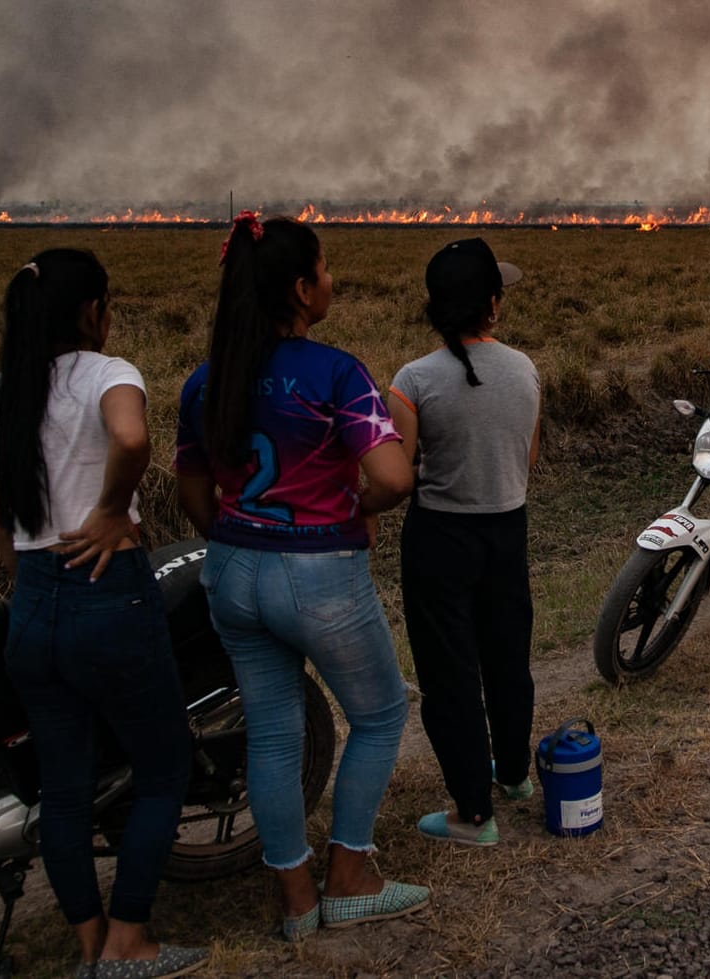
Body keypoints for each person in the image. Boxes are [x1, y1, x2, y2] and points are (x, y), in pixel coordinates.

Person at [174, 213, 424, 939]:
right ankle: (350, 874)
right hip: (319, 575)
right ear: (299, 288)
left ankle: (295, 898)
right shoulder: (336, 373)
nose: (331, 279)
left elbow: (192, 491)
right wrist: (359, 501)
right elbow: (393, 476)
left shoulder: (204, 380)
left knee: (275, 734)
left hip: (231, 567)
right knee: (378, 715)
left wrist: (237, 540)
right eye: (325, 267)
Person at [0, 250, 206, 979]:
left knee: (63, 785)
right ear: (90, 312)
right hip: (108, 588)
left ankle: (88, 942)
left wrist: (35, 582)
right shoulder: (109, 373)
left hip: (36, 595)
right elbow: (132, 438)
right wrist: (108, 513)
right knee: (165, 765)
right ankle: (129, 939)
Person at [389, 238, 542, 847]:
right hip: (507, 528)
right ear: (493, 306)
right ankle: (514, 775)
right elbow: (525, 459)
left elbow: (399, 475)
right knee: (508, 656)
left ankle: (473, 815)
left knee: (451, 673)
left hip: (440, 538)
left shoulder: (413, 381)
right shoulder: (525, 369)